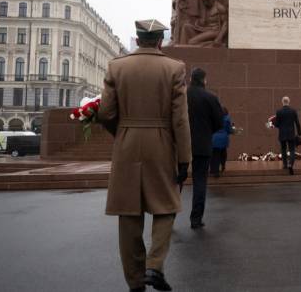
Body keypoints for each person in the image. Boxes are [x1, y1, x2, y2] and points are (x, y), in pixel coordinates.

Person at [97, 19, 191, 292]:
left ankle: (135, 282)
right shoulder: (174, 68)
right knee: (167, 205)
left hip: (126, 142)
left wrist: (123, 131)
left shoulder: (117, 66)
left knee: (128, 214)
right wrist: (184, 158)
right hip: (161, 144)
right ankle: (155, 265)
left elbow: (105, 113)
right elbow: (181, 120)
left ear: (137, 40)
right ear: (161, 41)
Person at [187, 67, 224, 229]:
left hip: (180, 144)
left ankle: (168, 217)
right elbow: (219, 123)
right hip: (202, 144)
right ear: (204, 79)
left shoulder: (181, 96)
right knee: (200, 181)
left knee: (176, 181)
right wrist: (206, 131)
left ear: (191, 79)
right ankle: (196, 219)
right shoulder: (210, 97)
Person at [275, 96, 301, 175]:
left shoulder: (279, 111)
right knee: (292, 150)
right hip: (291, 133)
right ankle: (291, 164)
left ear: (282, 102)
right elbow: (297, 122)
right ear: (289, 102)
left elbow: (277, 124)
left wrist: (273, 124)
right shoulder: (293, 111)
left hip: (282, 133)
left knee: (283, 149)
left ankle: (285, 165)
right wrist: (300, 133)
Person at [210, 107, 235, 177]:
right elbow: (229, 130)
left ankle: (214, 170)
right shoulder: (227, 119)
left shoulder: (213, 118)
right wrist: (232, 129)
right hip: (223, 139)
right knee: (223, 153)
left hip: (214, 138)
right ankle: (223, 165)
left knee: (215, 155)